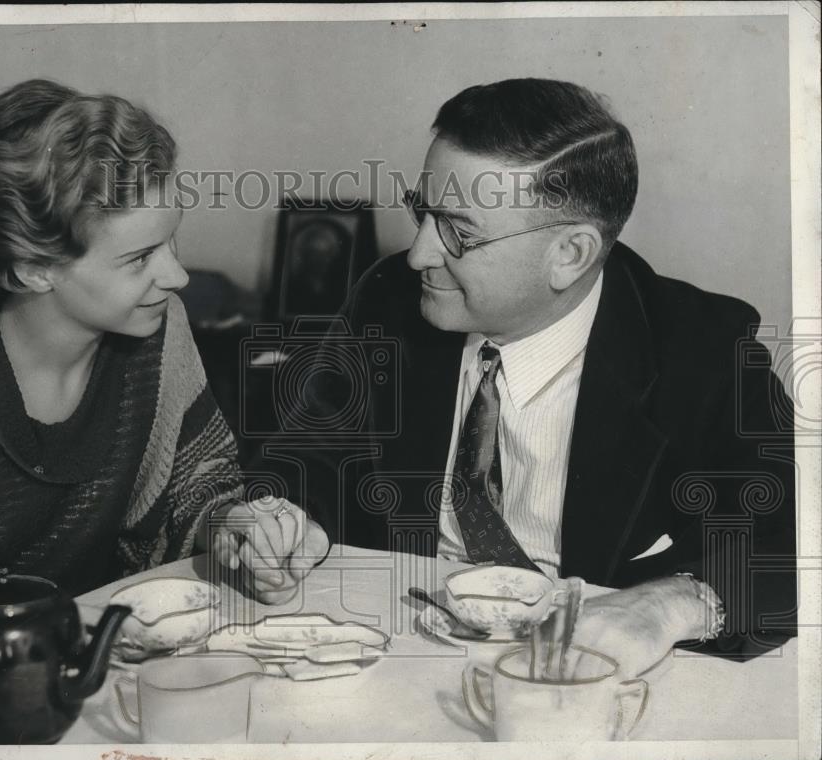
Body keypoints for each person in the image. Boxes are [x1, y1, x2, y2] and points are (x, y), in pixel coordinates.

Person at [277, 78, 796, 677]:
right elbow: (308, 460)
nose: (419, 253)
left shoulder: (704, 351)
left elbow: (791, 537)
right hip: (410, 655)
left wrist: (674, 601)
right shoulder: (388, 301)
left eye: (458, 232)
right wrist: (286, 520)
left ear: (570, 255)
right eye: (422, 211)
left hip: (590, 676)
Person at [0, 79, 328, 686]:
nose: (177, 275)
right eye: (139, 258)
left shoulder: (159, 328)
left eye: (170, 242)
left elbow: (197, 499)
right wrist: (64, 631)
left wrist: (240, 532)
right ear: (32, 268)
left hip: (120, 678)